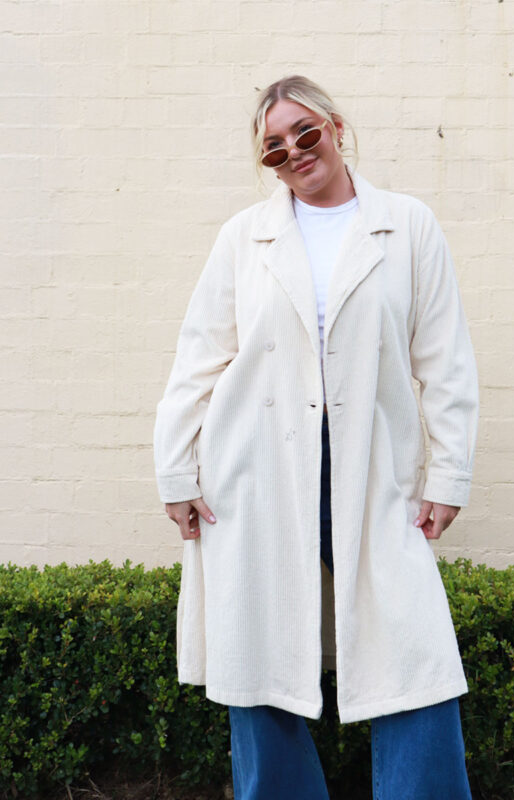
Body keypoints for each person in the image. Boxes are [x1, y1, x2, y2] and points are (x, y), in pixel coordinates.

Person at [154, 75, 479, 799]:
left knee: (414, 651)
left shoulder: (408, 225)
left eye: (306, 133)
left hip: (373, 468)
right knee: (259, 655)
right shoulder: (245, 238)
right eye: (275, 148)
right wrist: (175, 472)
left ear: (335, 127)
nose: (296, 153)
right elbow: (199, 357)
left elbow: (446, 363)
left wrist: (448, 476)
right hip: (255, 471)